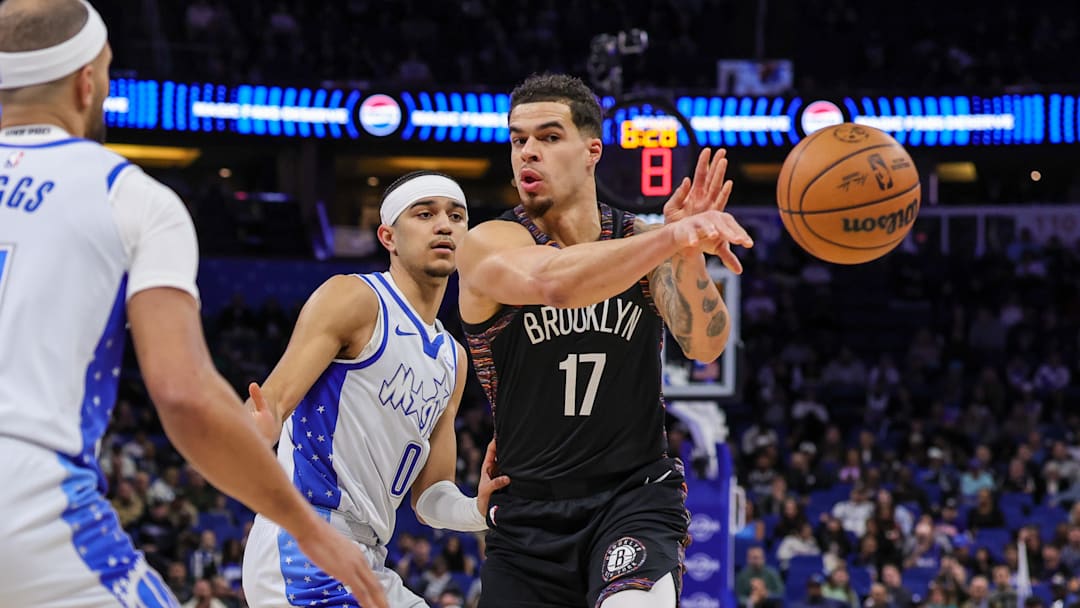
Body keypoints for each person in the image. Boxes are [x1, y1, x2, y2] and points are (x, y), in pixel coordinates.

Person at [0, 0, 387, 606]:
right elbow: (183, 396)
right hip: (26, 497)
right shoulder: (128, 195)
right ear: (84, 82)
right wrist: (309, 529)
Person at [458, 72, 753, 607]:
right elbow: (554, 282)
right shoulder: (488, 244)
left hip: (632, 499)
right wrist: (672, 236)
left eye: (548, 137)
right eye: (518, 139)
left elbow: (705, 344)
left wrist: (684, 256)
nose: (528, 152)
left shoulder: (641, 242)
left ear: (593, 150)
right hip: (526, 517)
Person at [242, 171, 508, 607]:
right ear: (388, 235)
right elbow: (270, 401)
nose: (444, 225)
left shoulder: (452, 358)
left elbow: (429, 497)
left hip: (366, 558)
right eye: (425, 214)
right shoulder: (356, 298)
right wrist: (254, 431)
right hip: (307, 542)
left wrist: (476, 509)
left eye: (456, 216)